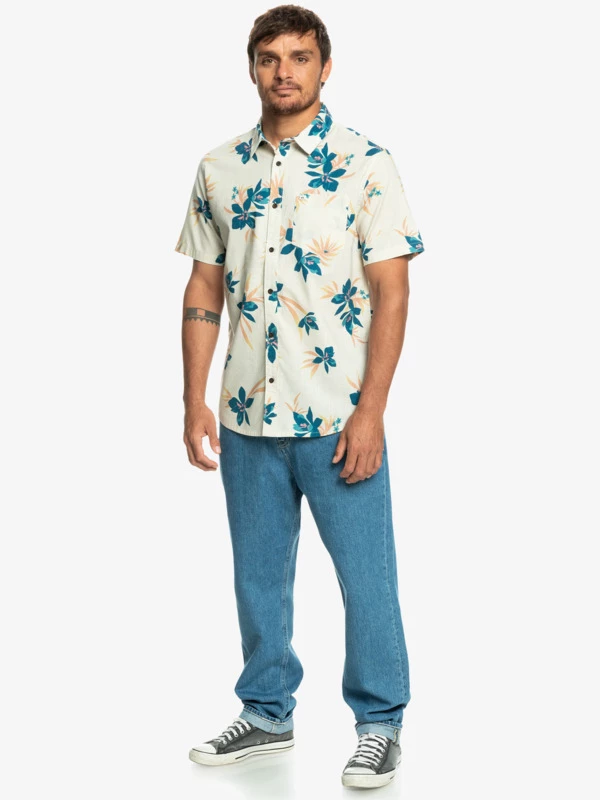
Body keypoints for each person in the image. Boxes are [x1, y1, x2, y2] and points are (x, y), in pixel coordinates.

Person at [174, 4, 424, 789]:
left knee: (366, 578)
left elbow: (392, 292)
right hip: (246, 416)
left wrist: (372, 411)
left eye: (300, 57)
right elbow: (203, 284)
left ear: (325, 67)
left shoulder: (367, 164)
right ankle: (266, 712)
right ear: (252, 68)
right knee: (257, 578)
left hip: (337, 416)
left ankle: (380, 724)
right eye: (270, 58)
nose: (284, 72)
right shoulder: (218, 168)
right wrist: (193, 400)